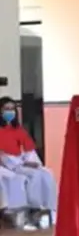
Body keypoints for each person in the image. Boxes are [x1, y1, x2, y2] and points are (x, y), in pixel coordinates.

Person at [0, 97, 56, 228]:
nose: (10, 112)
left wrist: (33, 163)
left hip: (21, 162)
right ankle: (31, 209)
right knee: (28, 177)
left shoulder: (19, 130)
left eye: (12, 109)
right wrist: (19, 164)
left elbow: (29, 151)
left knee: (46, 174)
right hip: (8, 165)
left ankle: (49, 209)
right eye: (6, 109)